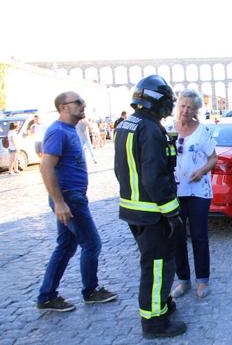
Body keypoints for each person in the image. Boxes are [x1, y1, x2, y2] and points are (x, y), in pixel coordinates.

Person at [113, 75, 186, 339]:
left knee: (154, 264)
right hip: (153, 212)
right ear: (157, 100)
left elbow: (120, 170)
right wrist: (172, 212)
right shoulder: (151, 129)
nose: (170, 106)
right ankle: (155, 323)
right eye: (168, 101)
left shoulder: (126, 125)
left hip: (133, 209)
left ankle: (163, 305)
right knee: (157, 267)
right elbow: (155, 176)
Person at [36, 91, 117, 312]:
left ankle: (46, 296)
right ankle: (91, 291)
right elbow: (46, 167)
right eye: (78, 102)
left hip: (73, 197)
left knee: (65, 246)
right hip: (69, 198)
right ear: (63, 107)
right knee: (92, 243)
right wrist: (59, 202)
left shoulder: (68, 130)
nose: (83, 105)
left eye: (83, 101)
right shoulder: (57, 131)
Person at [168, 88, 218, 299]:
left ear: (196, 110)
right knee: (177, 237)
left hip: (198, 191)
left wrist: (201, 171)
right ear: (177, 106)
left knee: (198, 236)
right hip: (176, 191)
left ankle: (202, 281)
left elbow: (213, 158)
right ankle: (183, 280)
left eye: (190, 107)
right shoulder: (169, 129)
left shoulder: (202, 131)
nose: (186, 110)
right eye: (183, 105)